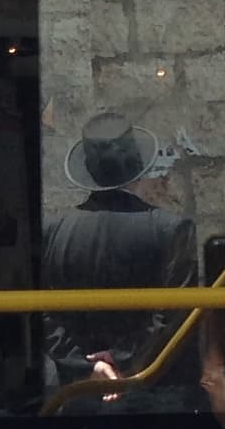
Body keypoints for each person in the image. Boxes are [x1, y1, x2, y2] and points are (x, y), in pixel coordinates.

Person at [42, 110, 198, 394]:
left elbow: (42, 315)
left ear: (89, 170)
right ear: (139, 165)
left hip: (76, 393)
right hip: (152, 392)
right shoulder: (171, 229)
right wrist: (122, 359)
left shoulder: (53, 232)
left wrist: (87, 366)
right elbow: (173, 317)